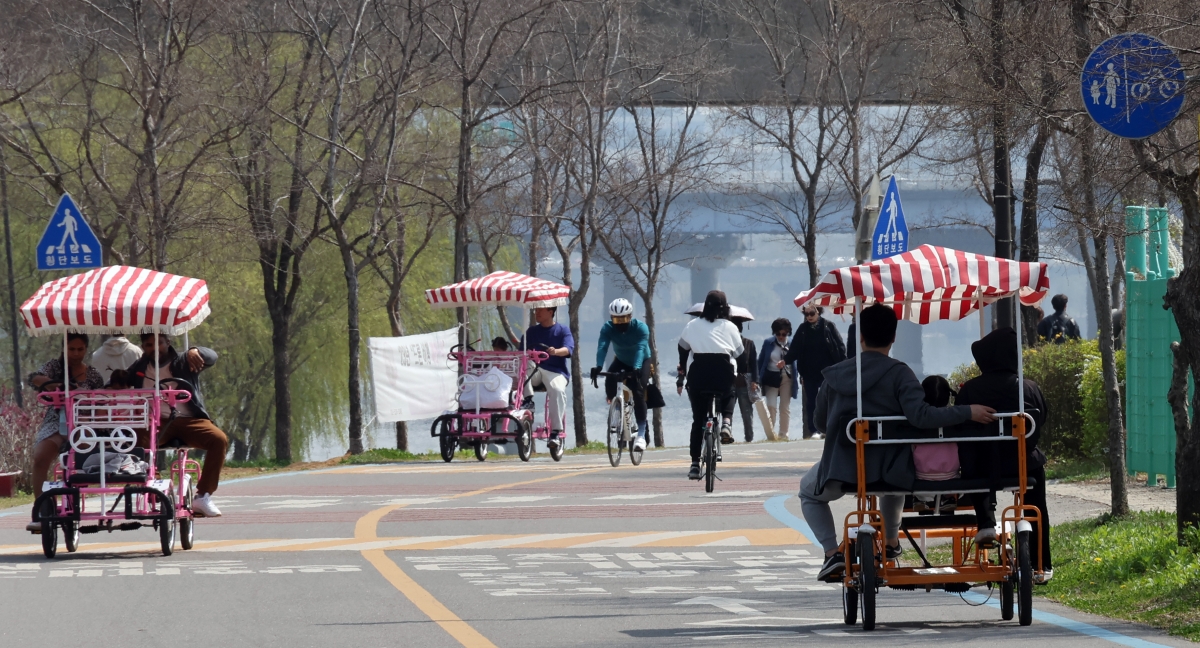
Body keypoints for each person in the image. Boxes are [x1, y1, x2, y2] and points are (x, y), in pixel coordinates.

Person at [800, 303, 997, 582]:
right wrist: (967, 411)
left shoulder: (833, 376)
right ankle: (891, 542)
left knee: (807, 493)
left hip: (843, 469)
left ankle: (832, 552)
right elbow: (921, 416)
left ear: (861, 338)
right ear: (893, 338)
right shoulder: (901, 374)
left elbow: (819, 423)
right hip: (890, 467)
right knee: (893, 489)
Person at [955, 326, 1053, 582]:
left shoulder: (970, 391)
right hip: (1022, 464)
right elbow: (1041, 419)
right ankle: (1042, 561)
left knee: (971, 456)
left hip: (981, 467)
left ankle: (985, 521)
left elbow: (958, 426)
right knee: (1037, 500)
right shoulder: (1029, 389)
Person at [129, 334, 228, 518]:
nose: (154, 348)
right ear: (143, 347)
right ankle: (155, 486)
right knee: (134, 437)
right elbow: (121, 380)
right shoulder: (139, 368)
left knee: (219, 439)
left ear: (168, 342)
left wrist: (196, 351)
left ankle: (203, 495)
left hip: (190, 419)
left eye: (159, 343)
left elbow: (212, 356)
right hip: (159, 420)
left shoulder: (184, 361)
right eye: (149, 345)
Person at [26, 333, 105, 532]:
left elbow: (102, 397)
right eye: (71, 349)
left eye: (80, 349)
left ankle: (77, 489)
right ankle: (42, 508)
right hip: (57, 421)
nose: (76, 354)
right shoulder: (54, 367)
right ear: (64, 348)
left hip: (85, 423)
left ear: (86, 350)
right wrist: (61, 386)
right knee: (40, 458)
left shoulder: (93, 374)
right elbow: (33, 378)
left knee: (79, 459)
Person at [677, 290, 744, 480]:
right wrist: (744, 371)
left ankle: (695, 464)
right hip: (723, 376)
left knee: (698, 421)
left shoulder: (692, 325)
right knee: (730, 392)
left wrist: (683, 365)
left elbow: (682, 347)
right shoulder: (730, 327)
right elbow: (741, 355)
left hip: (698, 377)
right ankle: (726, 423)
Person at [591, 298, 652, 450]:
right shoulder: (607, 328)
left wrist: (637, 367)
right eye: (616, 320)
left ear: (630, 316)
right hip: (622, 360)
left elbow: (640, 349)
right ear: (611, 318)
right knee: (610, 379)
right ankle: (617, 410)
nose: (620, 324)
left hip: (642, 360)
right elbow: (603, 346)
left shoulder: (641, 328)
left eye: (624, 319)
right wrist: (598, 366)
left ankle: (641, 434)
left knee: (638, 391)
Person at [785, 305, 846, 440]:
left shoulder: (828, 326)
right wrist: (785, 360)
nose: (809, 316)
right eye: (806, 314)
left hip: (828, 371)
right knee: (811, 402)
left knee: (829, 400)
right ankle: (814, 430)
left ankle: (830, 427)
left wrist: (843, 365)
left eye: (812, 313)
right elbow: (794, 348)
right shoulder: (802, 329)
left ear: (818, 311)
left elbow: (840, 346)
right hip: (808, 372)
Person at [519, 306, 575, 452]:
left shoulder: (562, 330)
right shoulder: (531, 332)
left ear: (551, 312)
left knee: (556, 390)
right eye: (536, 310)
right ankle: (528, 401)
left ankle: (555, 432)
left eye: (540, 310)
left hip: (556, 371)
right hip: (536, 370)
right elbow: (521, 352)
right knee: (524, 365)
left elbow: (568, 349)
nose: (536, 313)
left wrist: (556, 351)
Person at [757, 318, 798, 440]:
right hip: (771, 377)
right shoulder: (768, 343)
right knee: (771, 406)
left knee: (784, 407)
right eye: (778, 334)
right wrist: (757, 379)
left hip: (787, 378)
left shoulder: (792, 343)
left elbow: (797, 361)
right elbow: (761, 362)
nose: (781, 336)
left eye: (784, 334)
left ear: (788, 333)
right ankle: (771, 434)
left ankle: (783, 434)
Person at [733, 321, 758, 442]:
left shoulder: (749, 343)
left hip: (744, 382)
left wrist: (755, 380)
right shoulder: (726, 344)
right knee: (727, 412)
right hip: (730, 383)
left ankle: (749, 437)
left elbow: (754, 364)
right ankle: (726, 435)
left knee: (747, 413)